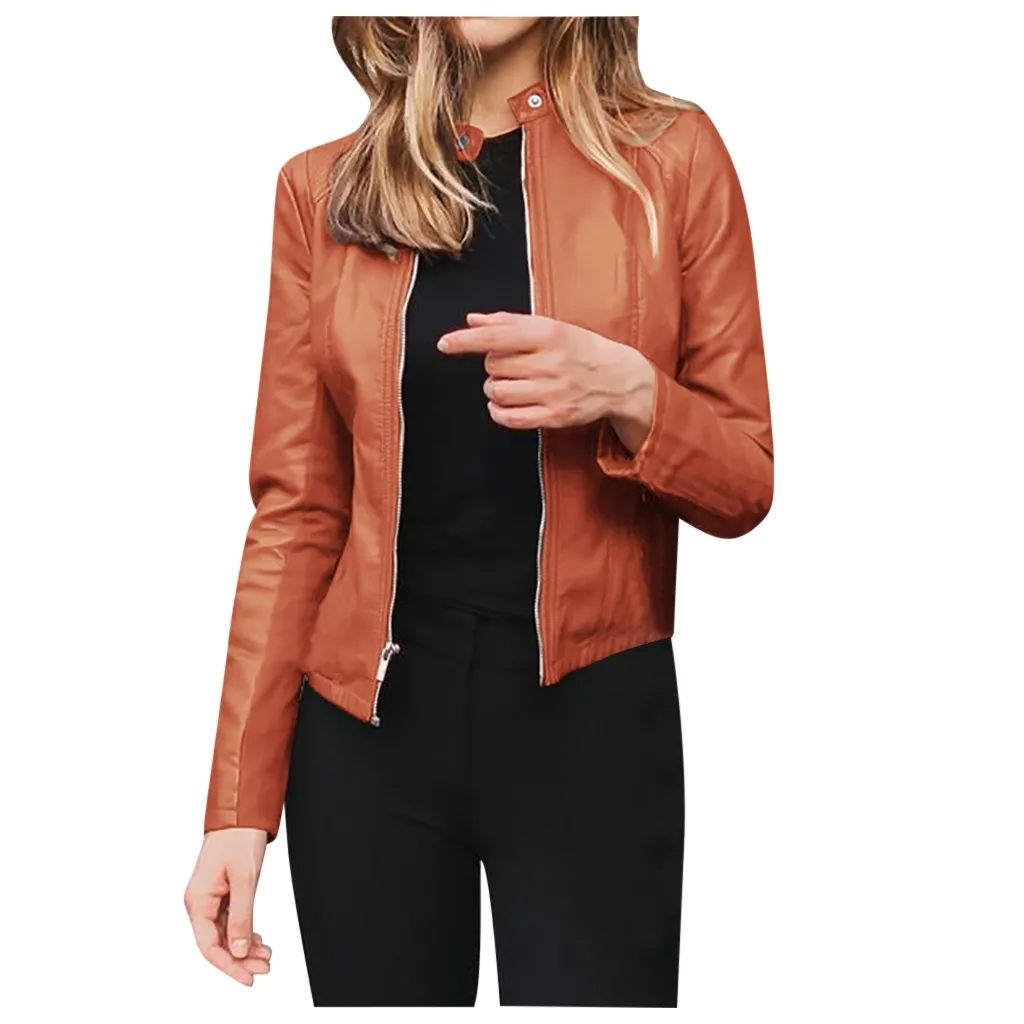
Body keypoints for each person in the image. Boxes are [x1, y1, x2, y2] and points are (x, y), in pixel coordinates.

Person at [183, 14, 773, 1008]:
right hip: (363, 744)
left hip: (592, 729)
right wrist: (236, 806)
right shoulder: (322, 189)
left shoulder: (671, 159)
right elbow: (297, 514)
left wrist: (634, 394)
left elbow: (744, 482)